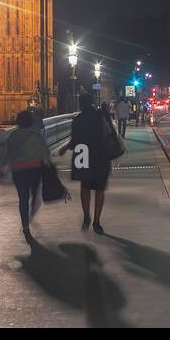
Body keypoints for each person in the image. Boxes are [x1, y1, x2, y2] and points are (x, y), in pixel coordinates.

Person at [56, 93, 113, 234]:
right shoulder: (101, 116)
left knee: (85, 187)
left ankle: (86, 216)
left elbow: (74, 140)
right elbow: (110, 133)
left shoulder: (77, 120)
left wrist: (64, 148)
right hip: (101, 156)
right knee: (100, 189)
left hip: (84, 157)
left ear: (80, 104)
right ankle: (97, 222)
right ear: (93, 102)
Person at [6, 108, 51, 242]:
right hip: (34, 170)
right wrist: (48, 166)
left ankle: (25, 225)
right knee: (36, 196)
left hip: (18, 171)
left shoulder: (12, 136)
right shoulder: (36, 135)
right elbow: (45, 154)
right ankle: (31, 215)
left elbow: (7, 154)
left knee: (23, 198)